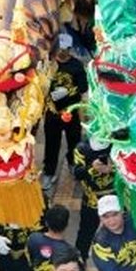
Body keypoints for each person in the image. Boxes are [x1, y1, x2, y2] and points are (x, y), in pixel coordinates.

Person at [42, 33, 85, 192]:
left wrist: (68, 91)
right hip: (52, 112)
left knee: (74, 140)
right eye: (59, 49)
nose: (61, 52)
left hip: (71, 111)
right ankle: (49, 172)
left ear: (70, 49)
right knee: (51, 143)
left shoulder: (76, 66)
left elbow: (84, 87)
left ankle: (73, 163)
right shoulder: (48, 64)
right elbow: (39, 84)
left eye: (65, 49)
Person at [90, 195, 136, 271]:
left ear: (122, 211)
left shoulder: (135, 223)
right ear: (100, 218)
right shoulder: (100, 243)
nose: (112, 221)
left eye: (115, 214)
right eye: (106, 217)